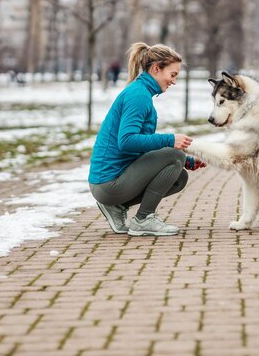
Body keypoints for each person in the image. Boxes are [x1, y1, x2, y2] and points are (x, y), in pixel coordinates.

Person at [88, 42, 205, 236]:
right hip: (108, 183)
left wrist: (188, 161)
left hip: (109, 183)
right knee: (174, 153)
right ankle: (143, 219)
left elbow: (140, 146)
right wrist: (170, 141)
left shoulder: (141, 92)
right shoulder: (138, 96)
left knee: (179, 177)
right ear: (156, 68)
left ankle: (117, 207)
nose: (174, 81)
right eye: (172, 74)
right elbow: (126, 141)